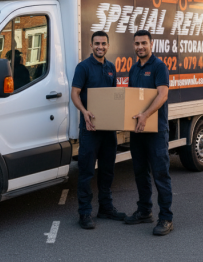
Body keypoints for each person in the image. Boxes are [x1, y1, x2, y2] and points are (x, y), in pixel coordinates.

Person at [71, 31, 127, 229]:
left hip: (108, 129)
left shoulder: (111, 68)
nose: (100, 46)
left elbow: (113, 97)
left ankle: (105, 208)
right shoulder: (83, 67)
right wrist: (84, 112)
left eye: (103, 43)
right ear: (91, 44)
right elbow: (74, 94)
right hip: (90, 129)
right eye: (97, 43)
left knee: (107, 171)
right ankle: (84, 213)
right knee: (86, 172)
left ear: (108, 46)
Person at [123, 29, 173, 236]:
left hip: (156, 130)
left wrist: (145, 115)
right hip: (138, 131)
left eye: (144, 43)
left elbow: (162, 94)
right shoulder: (133, 69)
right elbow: (133, 98)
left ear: (151, 44)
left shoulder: (159, 67)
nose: (140, 47)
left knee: (160, 174)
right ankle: (145, 210)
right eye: (137, 43)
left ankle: (166, 218)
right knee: (140, 172)